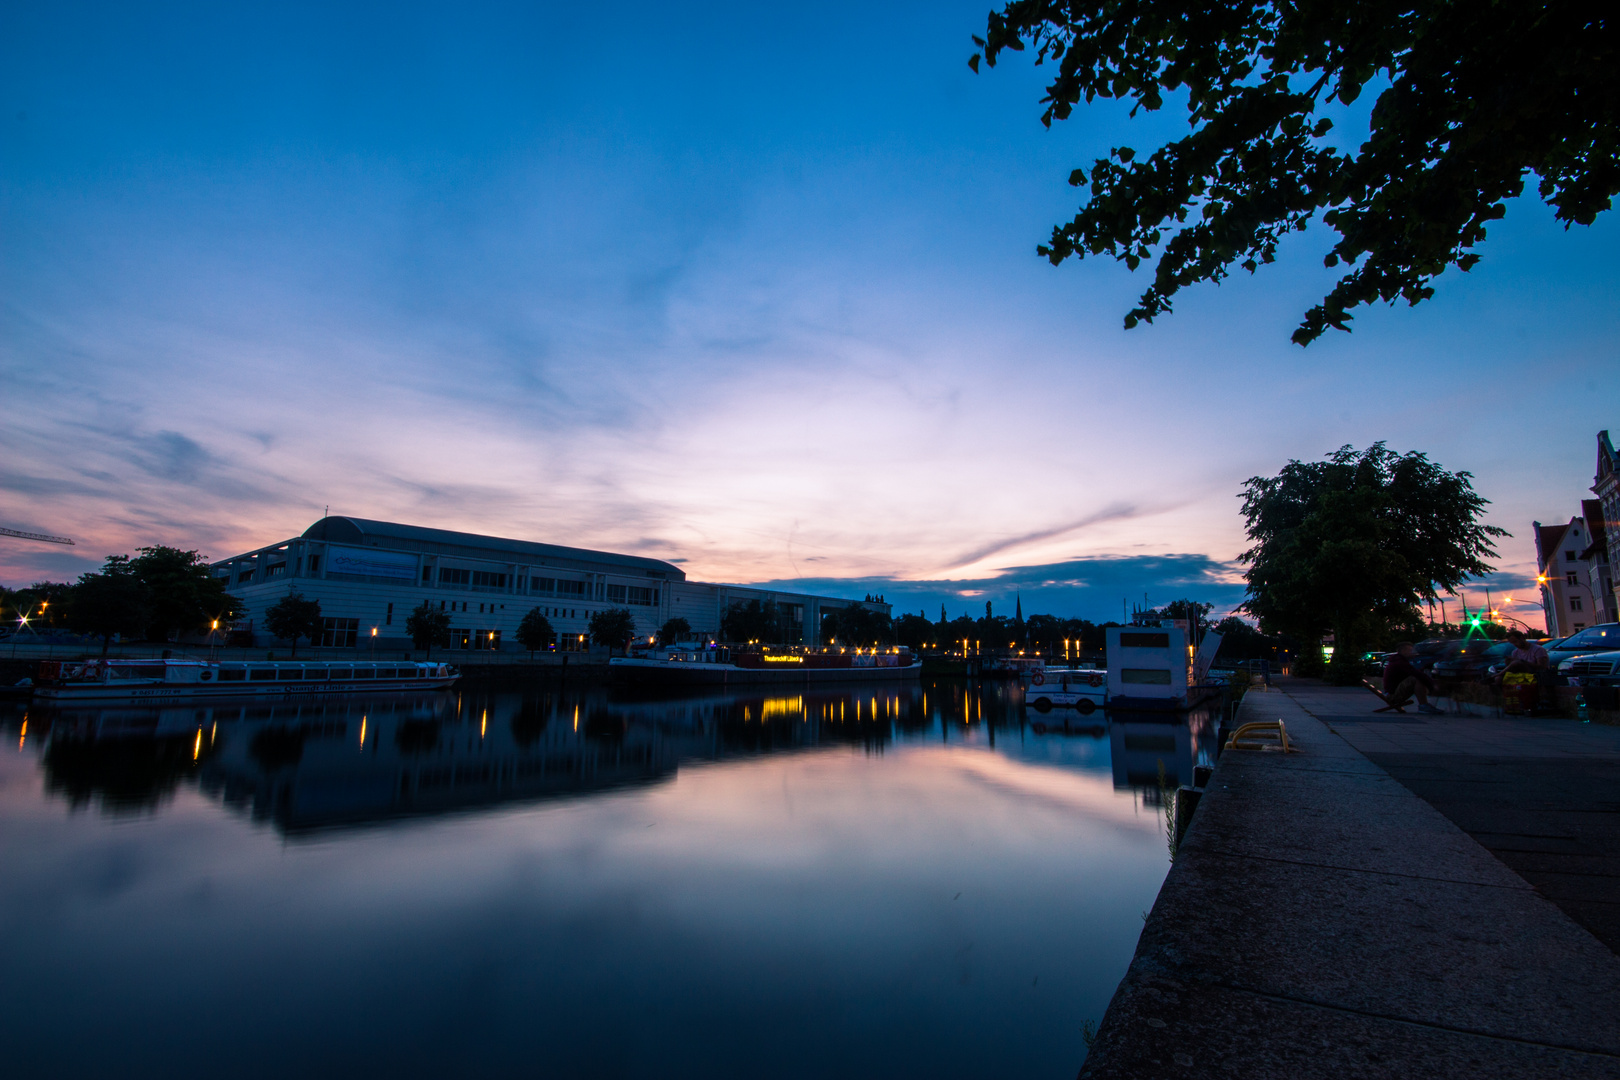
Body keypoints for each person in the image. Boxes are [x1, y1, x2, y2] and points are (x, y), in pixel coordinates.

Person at [1383, 642, 1442, 714]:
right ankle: (1423, 706)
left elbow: (1414, 671)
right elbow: (1416, 674)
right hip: (1392, 696)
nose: (1413, 652)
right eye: (1411, 650)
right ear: (1403, 651)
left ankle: (1424, 705)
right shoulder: (1399, 662)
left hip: (1392, 693)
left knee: (1418, 677)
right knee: (1417, 679)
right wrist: (1432, 685)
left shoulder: (1399, 660)